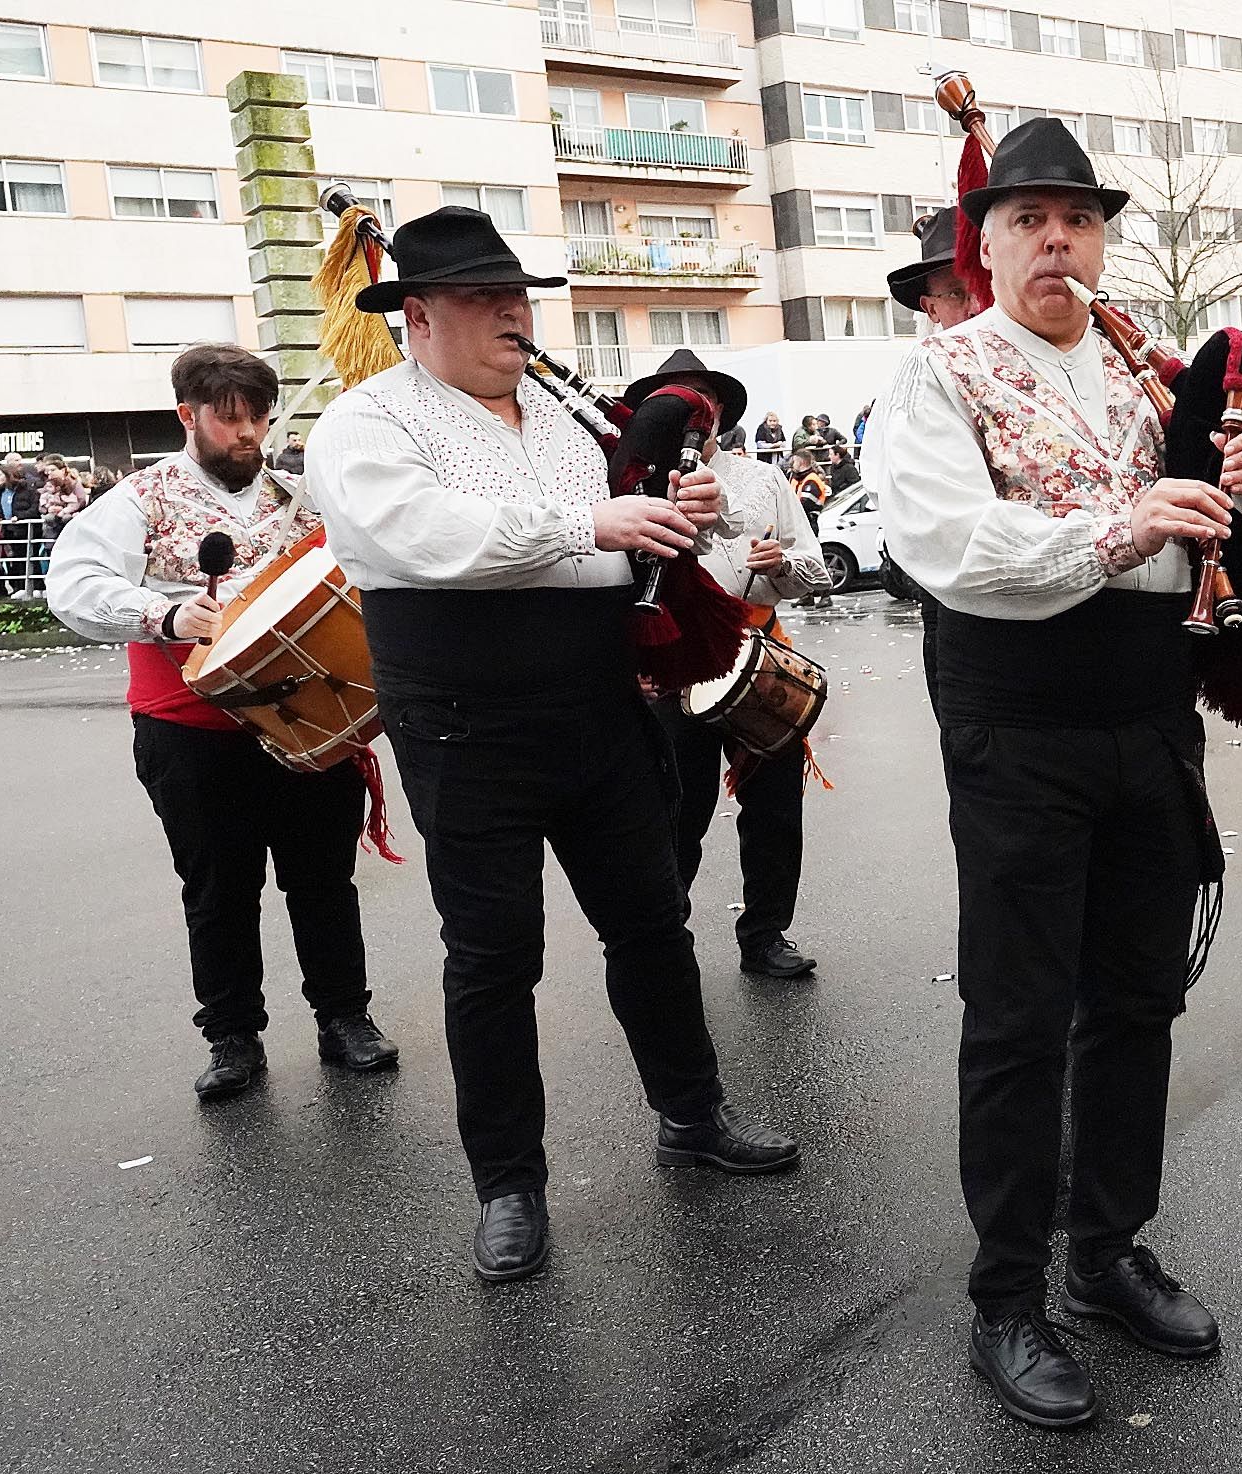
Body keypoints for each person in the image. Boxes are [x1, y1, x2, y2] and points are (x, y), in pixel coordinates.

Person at [864, 118, 1242, 1428]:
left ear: (1102, 237)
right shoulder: (940, 375)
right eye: (1029, 220)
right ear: (988, 241)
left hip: (1149, 712)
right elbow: (951, 546)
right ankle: (1007, 1296)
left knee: (1135, 997)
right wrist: (1122, 528)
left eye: (1077, 218)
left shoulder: (1147, 369)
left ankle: (1105, 1246)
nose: (1056, 238)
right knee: (1018, 1016)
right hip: (1019, 719)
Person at [303, 205, 800, 1284]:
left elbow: (627, 554)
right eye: (486, 301)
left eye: (518, 299)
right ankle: (508, 1184)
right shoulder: (365, 423)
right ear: (417, 317)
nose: (512, 319)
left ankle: (691, 1111)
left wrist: (684, 515)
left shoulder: (572, 424)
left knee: (651, 924)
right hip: (465, 724)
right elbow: (423, 537)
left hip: (596, 708)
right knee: (492, 958)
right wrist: (594, 524)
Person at [45, 344, 395, 1098]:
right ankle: (233, 1037)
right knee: (218, 889)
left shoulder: (301, 500)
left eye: (258, 418)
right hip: (190, 729)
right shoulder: (140, 498)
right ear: (187, 415)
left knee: (323, 881)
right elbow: (72, 584)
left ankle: (345, 1018)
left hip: (309, 716)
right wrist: (165, 613)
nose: (247, 433)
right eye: (229, 418)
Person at [628, 350, 834, 980]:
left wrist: (779, 567)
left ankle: (766, 933)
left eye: (704, 400)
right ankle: (666, 936)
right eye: (677, 399)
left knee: (775, 807)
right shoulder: (632, 485)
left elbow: (817, 573)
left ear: (719, 414)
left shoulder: (763, 482)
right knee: (676, 813)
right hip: (672, 667)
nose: (695, 411)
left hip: (758, 660)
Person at [884, 205, 977, 706]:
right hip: (953, 610)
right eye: (957, 292)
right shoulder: (916, 381)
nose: (975, 304)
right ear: (930, 307)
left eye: (984, 285)